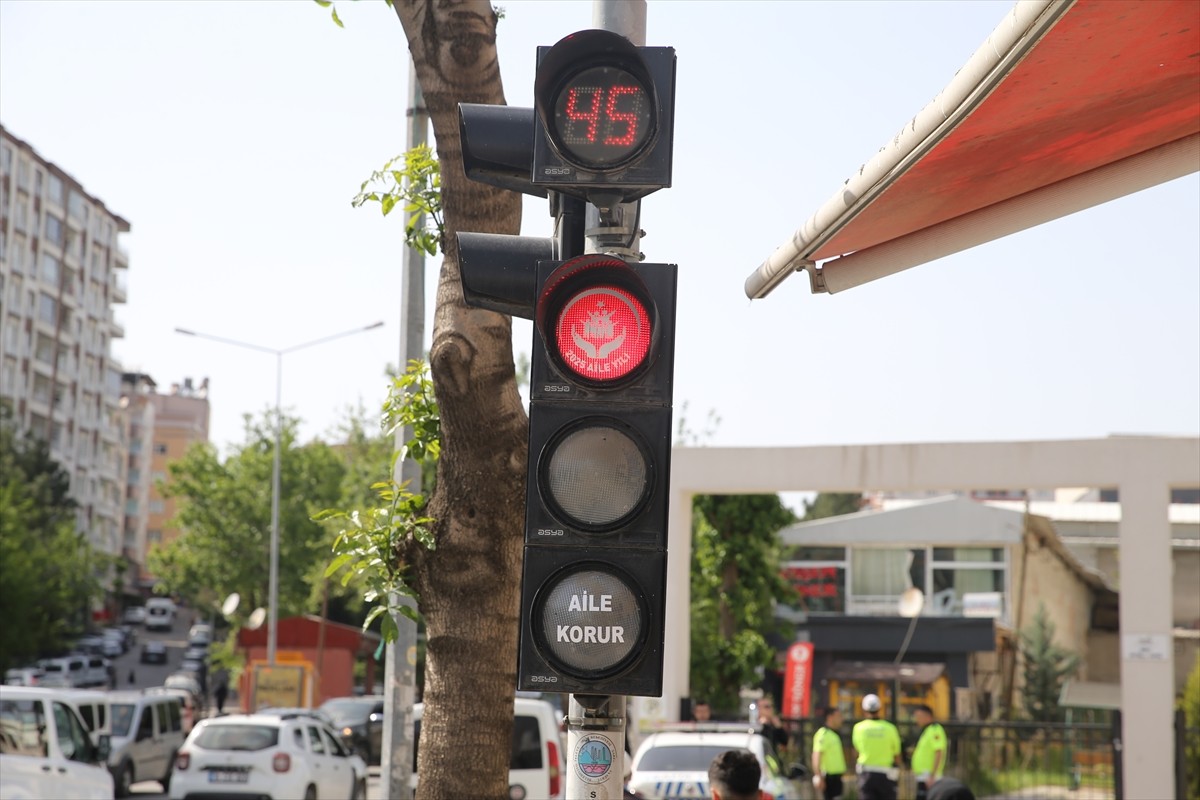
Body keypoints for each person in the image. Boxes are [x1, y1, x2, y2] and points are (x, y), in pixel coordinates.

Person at [851, 694, 902, 800]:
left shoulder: (858, 728)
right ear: (880, 708)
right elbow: (897, 754)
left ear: (864, 709)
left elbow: (856, 751)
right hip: (886, 775)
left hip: (866, 774)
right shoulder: (890, 728)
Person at [911, 704, 948, 800]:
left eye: (919, 717)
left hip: (929, 777)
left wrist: (932, 775)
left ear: (928, 716)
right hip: (924, 776)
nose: (917, 720)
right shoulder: (927, 731)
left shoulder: (935, 730)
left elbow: (939, 752)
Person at [811, 706, 847, 800]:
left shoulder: (835, 734)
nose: (841, 719)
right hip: (828, 779)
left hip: (837, 778)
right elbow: (816, 755)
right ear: (830, 717)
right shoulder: (823, 734)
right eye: (838, 716)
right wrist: (818, 776)